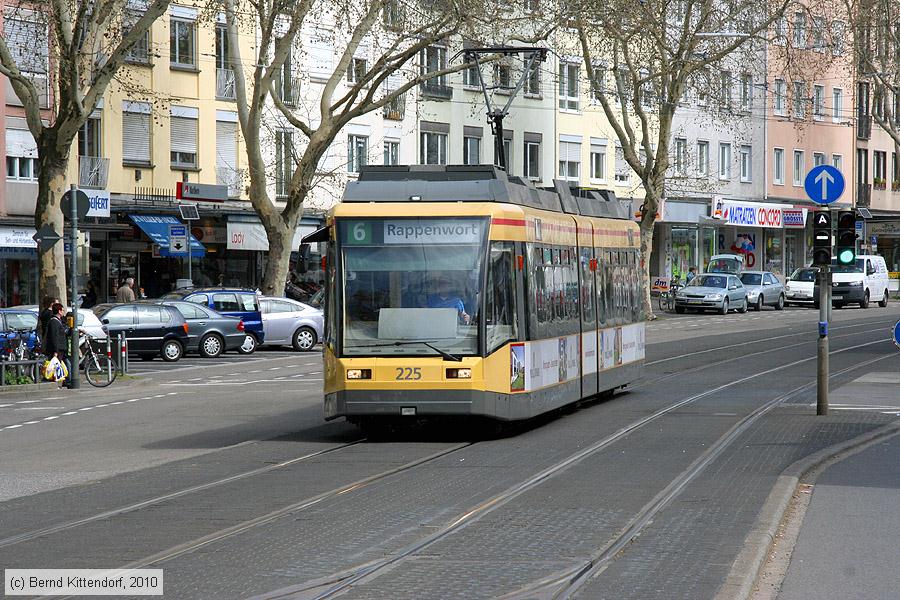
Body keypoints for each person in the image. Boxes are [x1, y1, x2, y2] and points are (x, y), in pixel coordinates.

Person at [44, 303, 71, 388]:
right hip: (58, 348)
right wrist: (55, 350)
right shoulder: (54, 322)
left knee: (65, 365)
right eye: (63, 310)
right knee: (57, 366)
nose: (64, 312)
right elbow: (54, 337)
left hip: (61, 348)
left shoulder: (59, 321)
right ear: (59, 311)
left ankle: (66, 381)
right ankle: (58, 382)